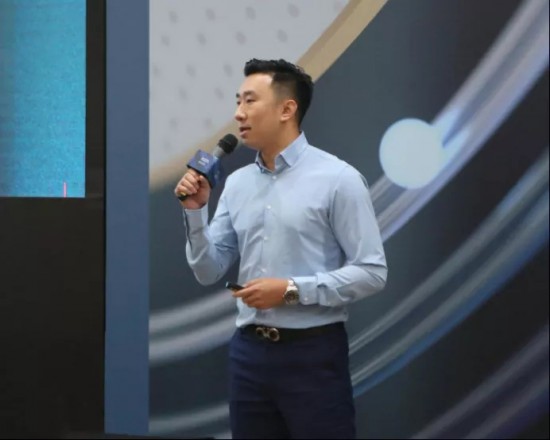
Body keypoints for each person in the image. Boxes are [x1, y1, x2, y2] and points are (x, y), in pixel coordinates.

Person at [174, 58, 387, 439]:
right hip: (248, 354)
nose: (238, 113)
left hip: (312, 353)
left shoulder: (338, 179)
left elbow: (372, 272)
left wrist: (290, 290)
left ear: (287, 109)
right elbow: (207, 270)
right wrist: (195, 211)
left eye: (250, 101)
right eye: (238, 101)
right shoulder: (237, 184)